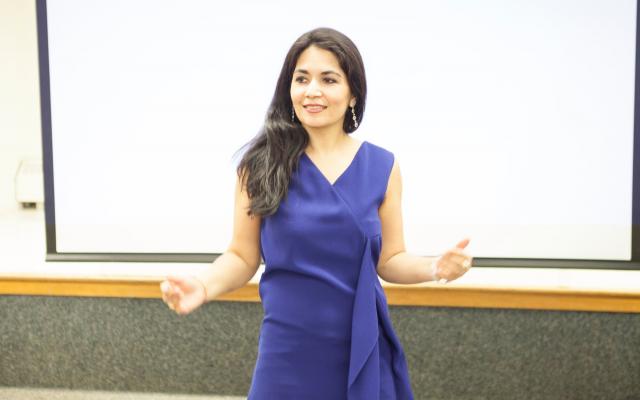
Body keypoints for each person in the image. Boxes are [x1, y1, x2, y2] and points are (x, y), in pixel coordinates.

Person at [160, 27, 473, 400]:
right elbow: (242, 256)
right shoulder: (259, 165)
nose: (312, 91)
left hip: (360, 342)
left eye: (329, 79)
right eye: (301, 78)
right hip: (287, 349)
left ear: (353, 92)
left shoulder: (382, 166)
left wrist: (435, 267)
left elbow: (389, 259)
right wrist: (205, 284)